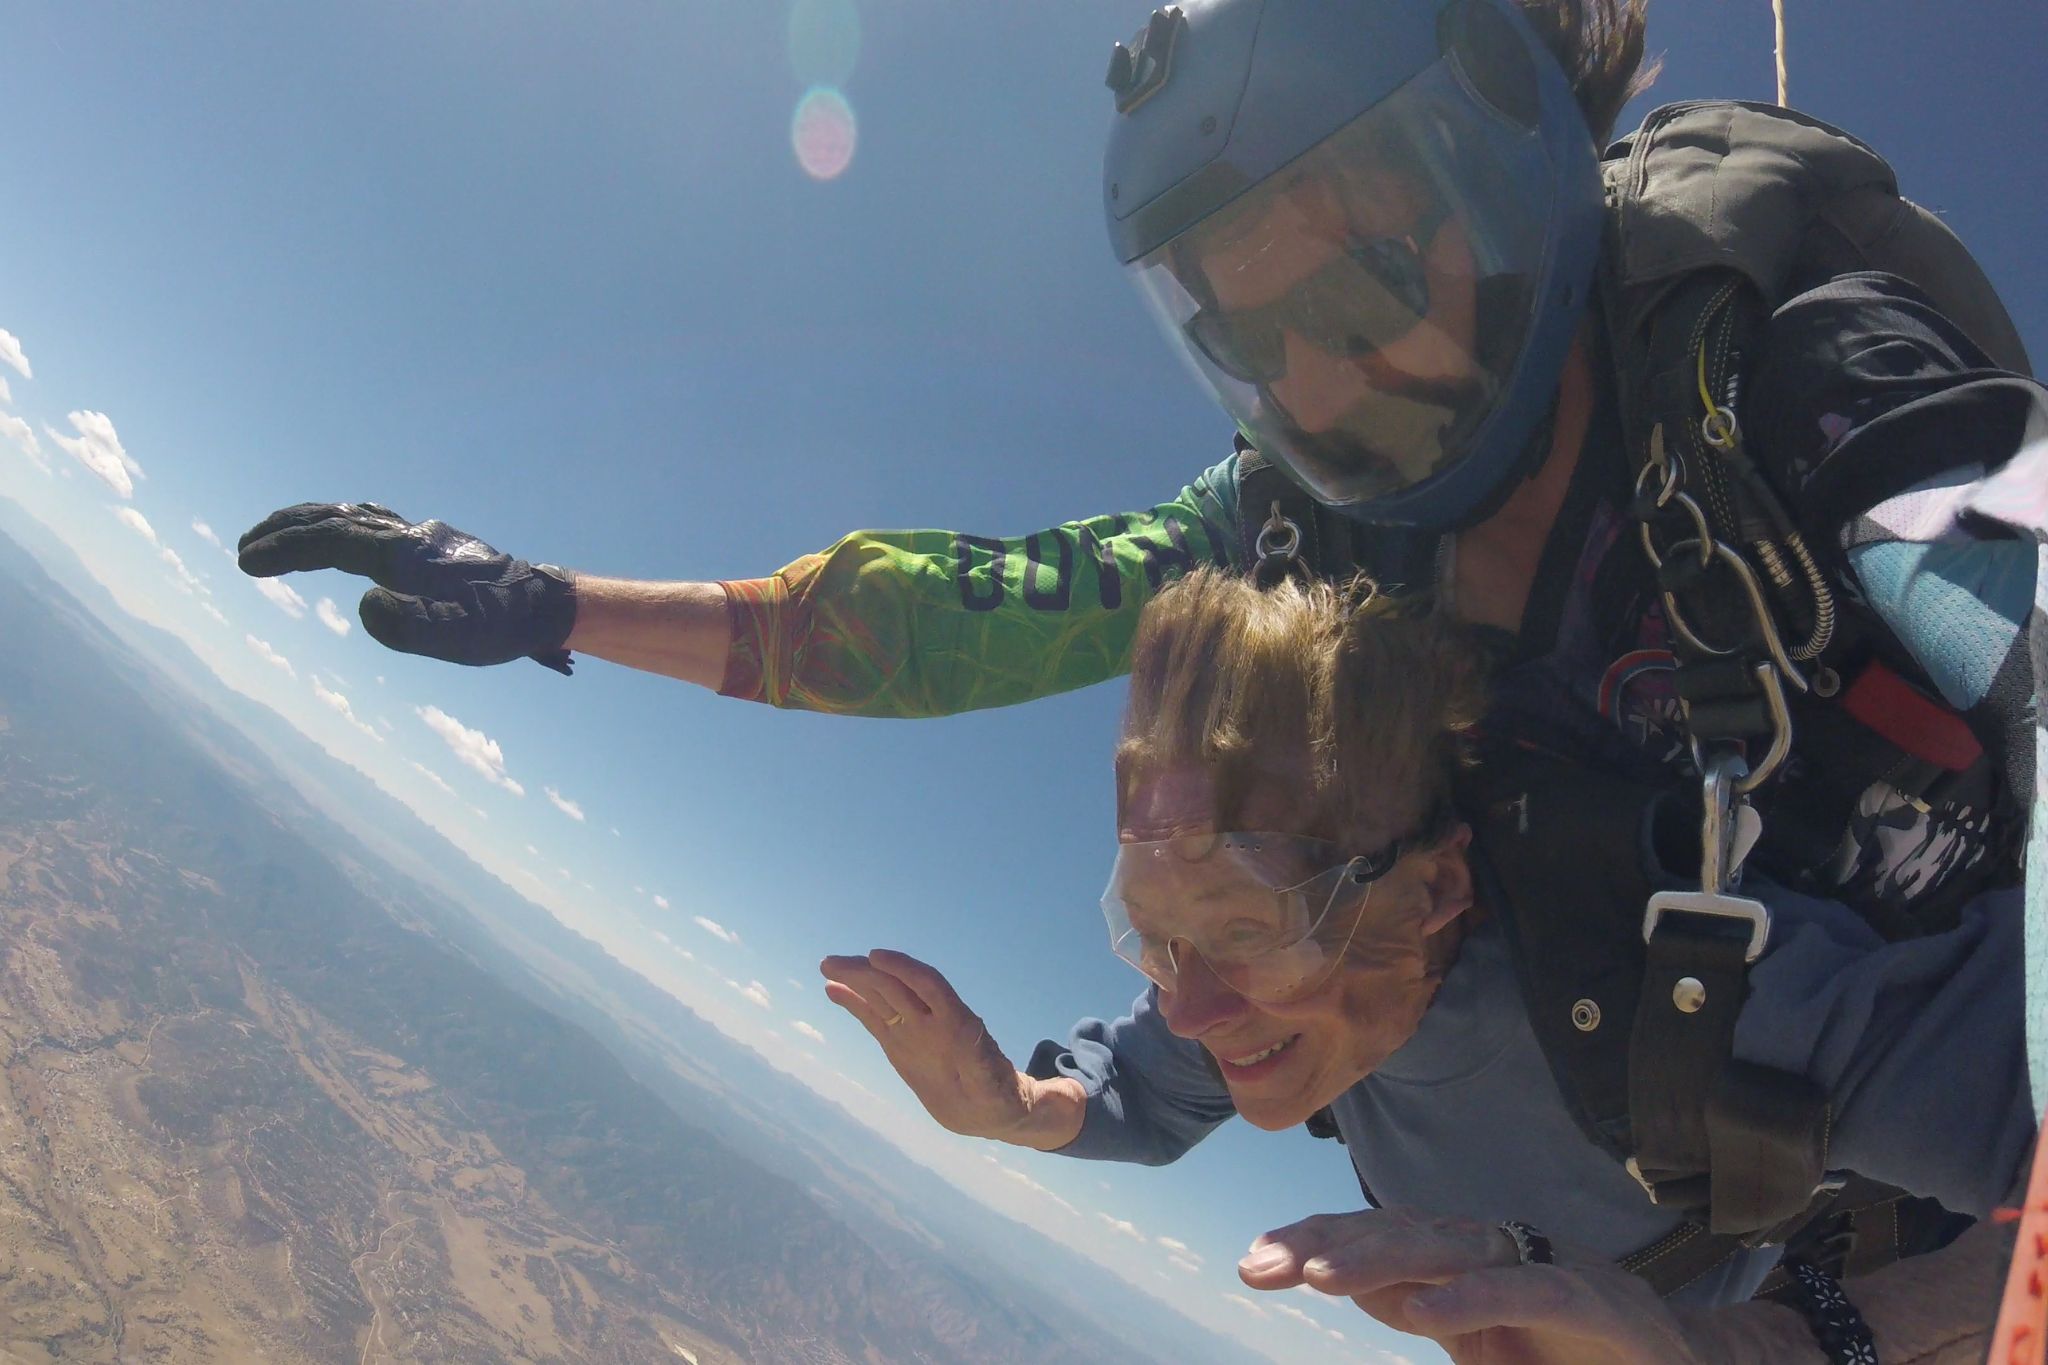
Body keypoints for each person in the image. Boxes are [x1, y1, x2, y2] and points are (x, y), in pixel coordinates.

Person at [238, 0, 2047, 1350]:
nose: (1321, 389)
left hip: (1886, 1230)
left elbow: (2006, 576)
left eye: (1357, 277)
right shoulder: (1305, 532)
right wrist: (557, 605)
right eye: (1249, 337)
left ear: (1502, 158)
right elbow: (963, 613)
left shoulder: (1791, 385)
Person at [819, 568, 2032, 1364]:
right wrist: (1016, 1110)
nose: (1185, 1001)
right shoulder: (1279, 1001)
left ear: (1433, 893)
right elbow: (1141, 1085)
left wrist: (1768, 1349)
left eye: (1245, 928)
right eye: (1152, 933)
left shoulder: (1680, 991)